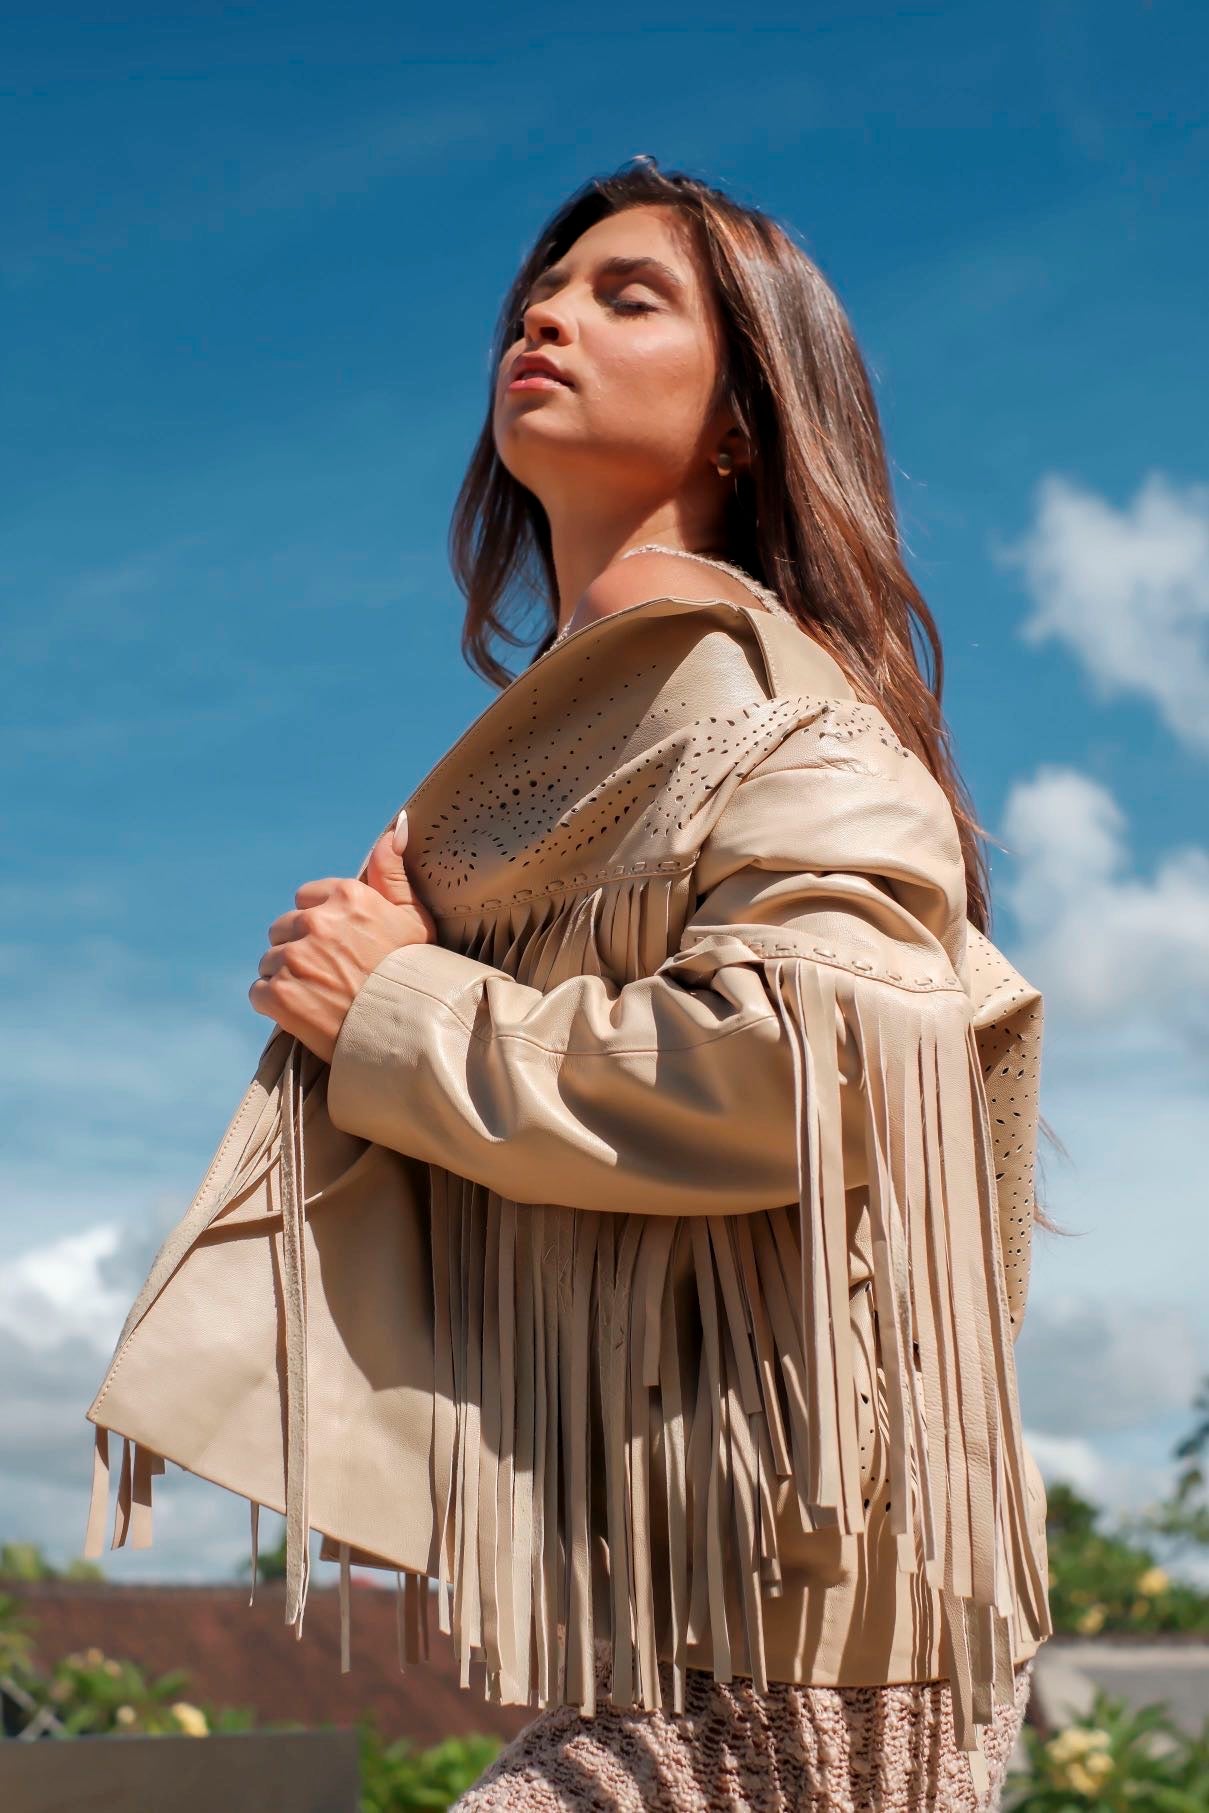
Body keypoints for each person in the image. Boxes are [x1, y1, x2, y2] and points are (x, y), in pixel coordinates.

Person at [245, 157, 1060, 1809]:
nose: (547, 314)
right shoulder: (558, 758)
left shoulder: (778, 709)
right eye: (541, 295)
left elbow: (817, 1069)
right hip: (652, 1614)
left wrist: (397, 1007)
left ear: (743, 420)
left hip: (813, 1632)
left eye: (631, 297)